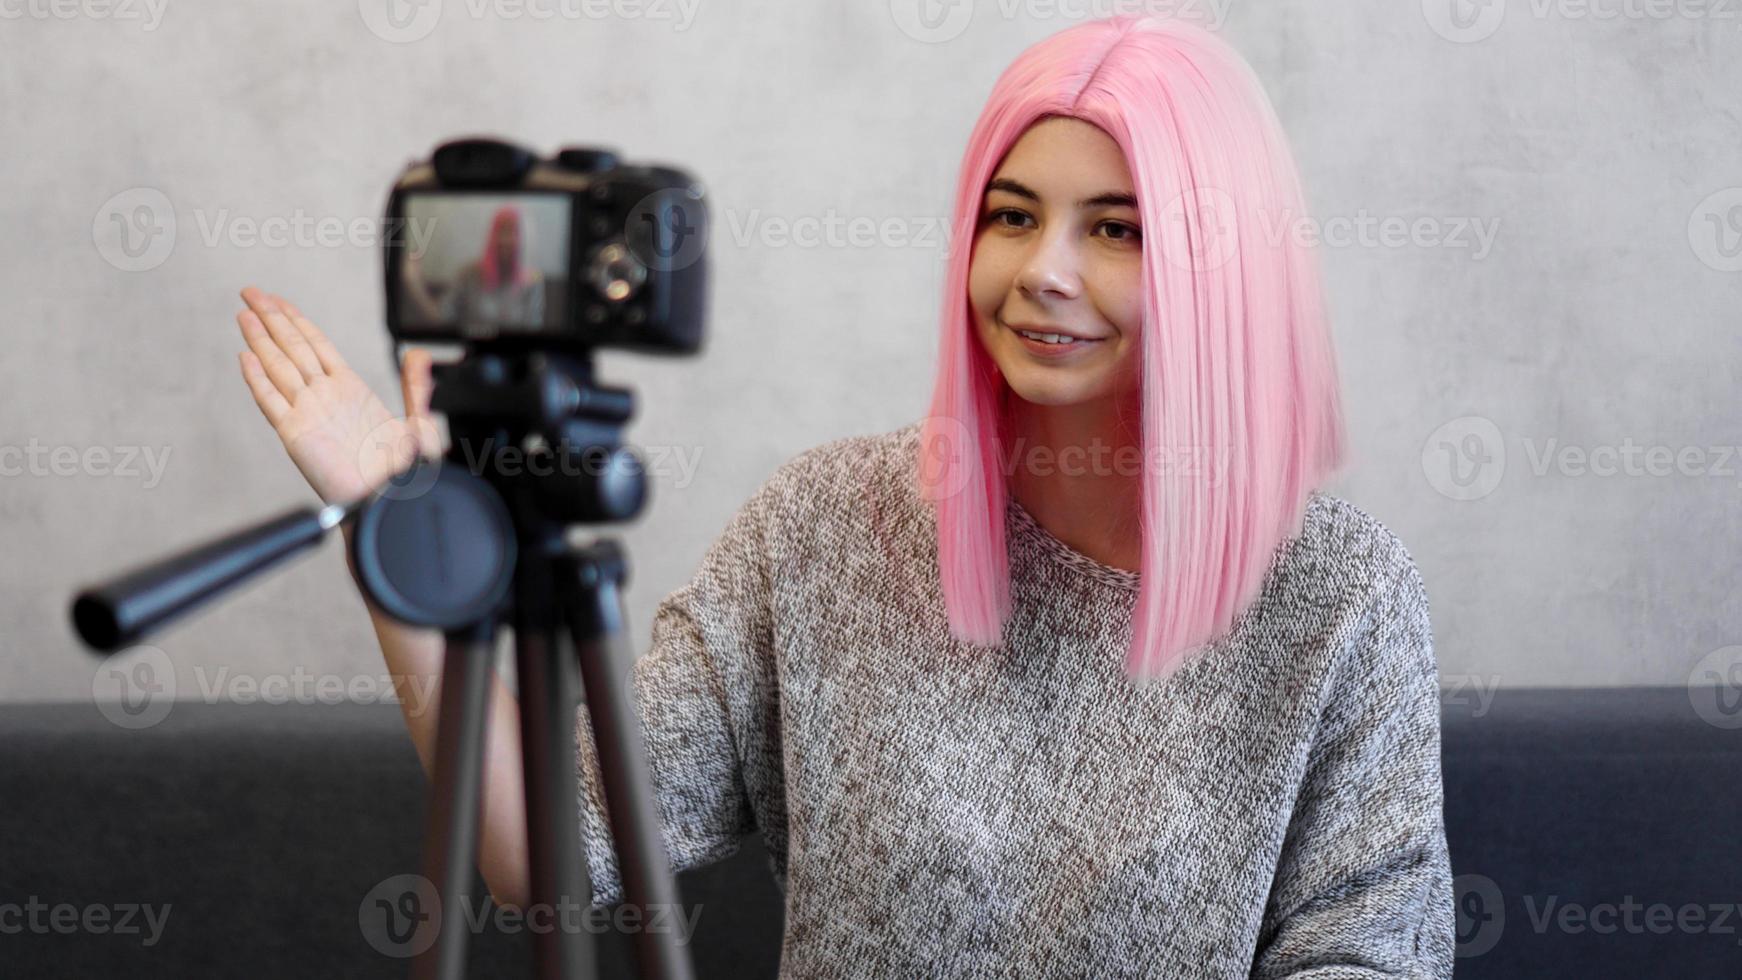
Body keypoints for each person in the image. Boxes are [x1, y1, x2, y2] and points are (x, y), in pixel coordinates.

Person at [233, 13, 1452, 977]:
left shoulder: (1339, 597)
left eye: (1117, 230)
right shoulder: (822, 528)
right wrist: (408, 556)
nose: (1042, 273)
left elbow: (1363, 954)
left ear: (1220, 268)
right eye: (1010, 216)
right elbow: (547, 851)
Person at [399, 203, 546, 329]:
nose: (505, 240)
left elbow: (533, 334)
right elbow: (440, 318)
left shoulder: (533, 282)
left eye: (514, 232)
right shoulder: (468, 274)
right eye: (501, 230)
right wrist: (414, 283)